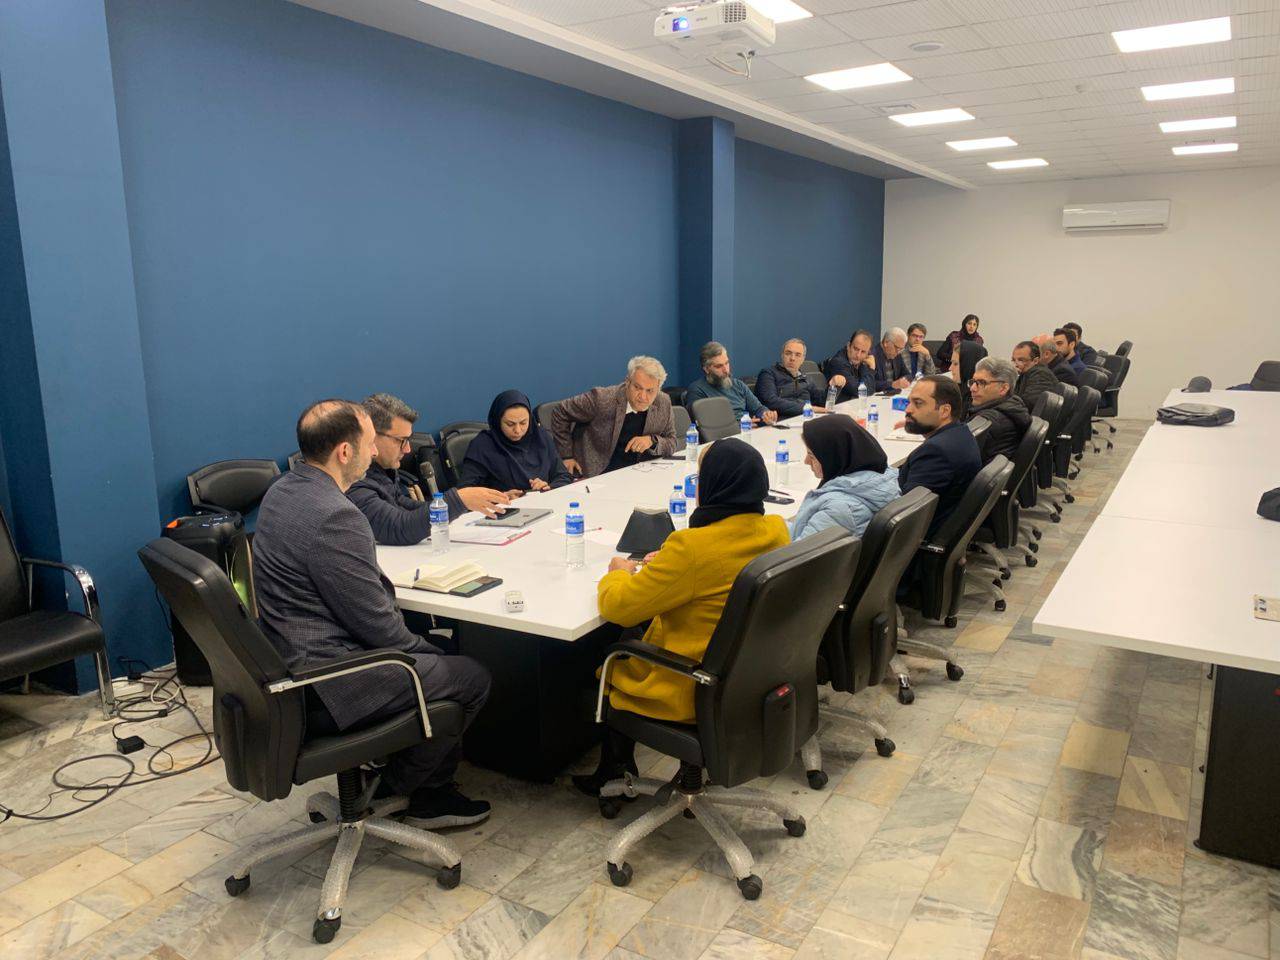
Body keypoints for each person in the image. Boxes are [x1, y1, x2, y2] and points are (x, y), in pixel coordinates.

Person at [254, 400, 492, 827]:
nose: (372, 453)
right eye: (368, 444)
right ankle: (404, 790)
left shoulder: (281, 491)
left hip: (287, 663)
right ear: (345, 452)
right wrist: (428, 652)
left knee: (437, 650)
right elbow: (379, 627)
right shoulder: (336, 515)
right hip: (331, 681)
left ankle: (396, 767)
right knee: (470, 675)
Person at [573, 438, 789, 795]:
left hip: (693, 686)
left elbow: (618, 607)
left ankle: (615, 772)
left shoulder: (690, 548)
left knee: (621, 644)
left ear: (713, 485)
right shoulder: (776, 528)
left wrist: (618, 572)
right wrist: (671, 565)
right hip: (752, 678)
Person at [347, 393, 512, 546]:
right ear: (372, 435)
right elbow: (399, 528)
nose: (407, 449)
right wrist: (457, 501)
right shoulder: (353, 478)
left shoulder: (382, 469)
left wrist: (464, 502)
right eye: (401, 440)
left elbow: (400, 503)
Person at [550, 356, 678, 479]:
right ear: (627, 382)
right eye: (637, 387)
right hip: (597, 474)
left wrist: (652, 441)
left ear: (658, 389)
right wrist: (566, 456)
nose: (643, 396)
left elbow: (672, 442)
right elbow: (560, 411)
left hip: (640, 474)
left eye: (650, 391)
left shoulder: (663, 402)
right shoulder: (602, 399)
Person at [789, 415, 901, 541]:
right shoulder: (880, 481)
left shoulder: (838, 509)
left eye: (811, 456)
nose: (806, 461)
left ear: (833, 457)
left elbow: (796, 552)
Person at [897, 375, 982, 536]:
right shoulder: (960, 433)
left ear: (944, 411)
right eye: (909, 402)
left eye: (918, 403)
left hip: (914, 539)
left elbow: (903, 512)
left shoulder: (936, 453)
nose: (908, 410)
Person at [458, 390, 573, 493]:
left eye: (523, 423)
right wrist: (502, 497)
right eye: (510, 424)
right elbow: (465, 493)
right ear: (498, 421)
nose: (518, 430)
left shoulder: (541, 437)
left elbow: (563, 476)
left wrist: (548, 487)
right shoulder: (483, 446)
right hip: (504, 508)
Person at [685, 342, 779, 425]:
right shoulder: (697, 390)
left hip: (748, 430)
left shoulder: (738, 385)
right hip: (724, 436)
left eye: (727, 363)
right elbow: (705, 424)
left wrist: (766, 414)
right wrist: (740, 425)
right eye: (719, 366)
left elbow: (758, 408)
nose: (726, 370)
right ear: (706, 369)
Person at [965, 358, 1030, 463]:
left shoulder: (988, 422)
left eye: (981, 382)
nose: (972, 388)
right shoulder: (1012, 406)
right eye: (973, 382)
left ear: (1003, 388)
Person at [755, 338, 826, 418]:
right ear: (782, 355)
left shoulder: (805, 378)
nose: (792, 358)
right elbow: (771, 402)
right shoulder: (768, 374)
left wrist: (833, 386)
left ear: (803, 359)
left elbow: (821, 400)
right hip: (782, 419)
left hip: (807, 417)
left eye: (797, 355)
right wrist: (806, 408)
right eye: (788, 353)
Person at [821, 330, 877, 402]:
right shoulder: (838, 363)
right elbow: (860, 391)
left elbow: (871, 389)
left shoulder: (862, 362)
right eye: (856, 349)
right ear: (848, 346)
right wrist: (871, 369)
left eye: (863, 352)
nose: (858, 355)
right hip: (836, 406)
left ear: (868, 353)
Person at [1012, 340, 1059, 411]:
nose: (1016, 364)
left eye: (1021, 360)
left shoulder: (1041, 374)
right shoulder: (1023, 374)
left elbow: (1028, 404)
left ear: (1035, 361)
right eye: (1013, 360)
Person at [872, 328, 912, 392]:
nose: (899, 352)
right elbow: (869, 384)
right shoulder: (872, 355)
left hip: (893, 394)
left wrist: (903, 380)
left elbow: (908, 374)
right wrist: (892, 384)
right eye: (897, 348)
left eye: (901, 349)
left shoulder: (897, 354)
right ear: (886, 343)